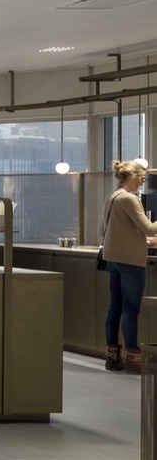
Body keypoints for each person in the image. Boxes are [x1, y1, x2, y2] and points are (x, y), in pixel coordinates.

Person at [99, 159, 157, 373]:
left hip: (113, 259)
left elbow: (104, 228)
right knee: (131, 309)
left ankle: (112, 358)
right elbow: (148, 227)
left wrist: (141, 239)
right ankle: (134, 359)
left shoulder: (112, 196)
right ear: (132, 176)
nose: (143, 181)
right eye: (142, 177)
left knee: (115, 306)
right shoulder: (130, 199)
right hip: (131, 261)